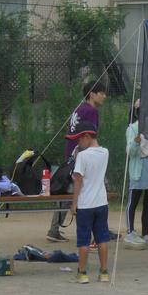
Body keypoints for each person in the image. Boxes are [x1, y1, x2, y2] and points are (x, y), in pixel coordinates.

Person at [47, 80, 107, 243]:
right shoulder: (91, 111)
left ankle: (54, 228)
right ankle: (96, 232)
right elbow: (90, 136)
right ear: (92, 94)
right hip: (81, 154)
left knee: (69, 192)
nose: (104, 96)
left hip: (71, 154)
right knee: (90, 191)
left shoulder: (80, 109)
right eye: (101, 93)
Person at [67, 121, 111, 284]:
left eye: (79, 139)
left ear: (87, 136)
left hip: (85, 204)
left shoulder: (82, 156)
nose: (78, 143)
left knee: (83, 240)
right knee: (102, 238)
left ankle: (82, 272)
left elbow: (78, 180)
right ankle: (104, 271)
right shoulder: (105, 152)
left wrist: (74, 203)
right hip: (101, 202)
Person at [125, 99, 148, 250]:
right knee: (134, 199)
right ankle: (130, 233)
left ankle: (145, 236)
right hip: (141, 164)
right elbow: (130, 152)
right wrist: (136, 142)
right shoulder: (132, 128)